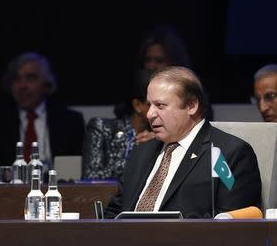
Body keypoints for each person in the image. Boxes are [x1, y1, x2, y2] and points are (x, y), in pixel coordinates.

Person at [104, 66, 261, 218]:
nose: (150, 114)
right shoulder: (141, 153)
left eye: (160, 105)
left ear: (191, 106)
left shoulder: (228, 154)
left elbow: (233, 222)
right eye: (149, 105)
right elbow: (115, 212)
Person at [0, 52, 85, 183]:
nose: (22, 86)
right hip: (7, 195)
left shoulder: (71, 121)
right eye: (17, 79)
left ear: (46, 84)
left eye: (30, 78)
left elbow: (77, 172)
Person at [82, 70, 155, 180]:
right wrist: (137, 152)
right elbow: (91, 177)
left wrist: (157, 145)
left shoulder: (162, 138)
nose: (158, 111)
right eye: (153, 104)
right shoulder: (101, 128)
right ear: (137, 105)